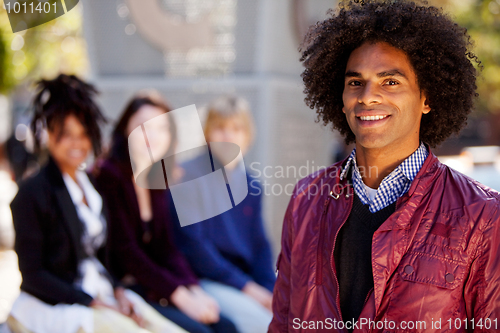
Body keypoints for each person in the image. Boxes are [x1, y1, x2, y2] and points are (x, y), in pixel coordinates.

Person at [269, 1, 500, 332]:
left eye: (390, 82)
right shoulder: (307, 198)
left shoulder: (484, 216)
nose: (367, 96)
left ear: (426, 98)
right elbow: (282, 321)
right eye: (355, 82)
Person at [8, 75, 185, 333]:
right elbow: (33, 274)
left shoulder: (91, 185)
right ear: (49, 133)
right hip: (58, 305)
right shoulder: (32, 193)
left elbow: (100, 257)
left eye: (83, 134)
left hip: (101, 293)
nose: (76, 143)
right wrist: (93, 302)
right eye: (66, 134)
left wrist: (118, 290)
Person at [95, 92, 238, 333]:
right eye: (142, 126)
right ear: (125, 130)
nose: (152, 136)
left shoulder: (155, 179)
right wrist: (181, 297)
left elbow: (166, 248)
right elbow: (126, 252)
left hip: (152, 285)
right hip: (121, 288)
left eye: (161, 128)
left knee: (227, 327)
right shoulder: (109, 176)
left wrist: (194, 289)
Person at [174, 96, 276, 333]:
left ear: (247, 135)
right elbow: (194, 246)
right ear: (208, 134)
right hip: (203, 281)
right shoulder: (188, 176)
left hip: (243, 281)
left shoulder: (252, 185)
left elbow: (261, 246)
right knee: (264, 325)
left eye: (236, 129)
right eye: (220, 128)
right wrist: (249, 289)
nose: (228, 136)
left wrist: (270, 292)